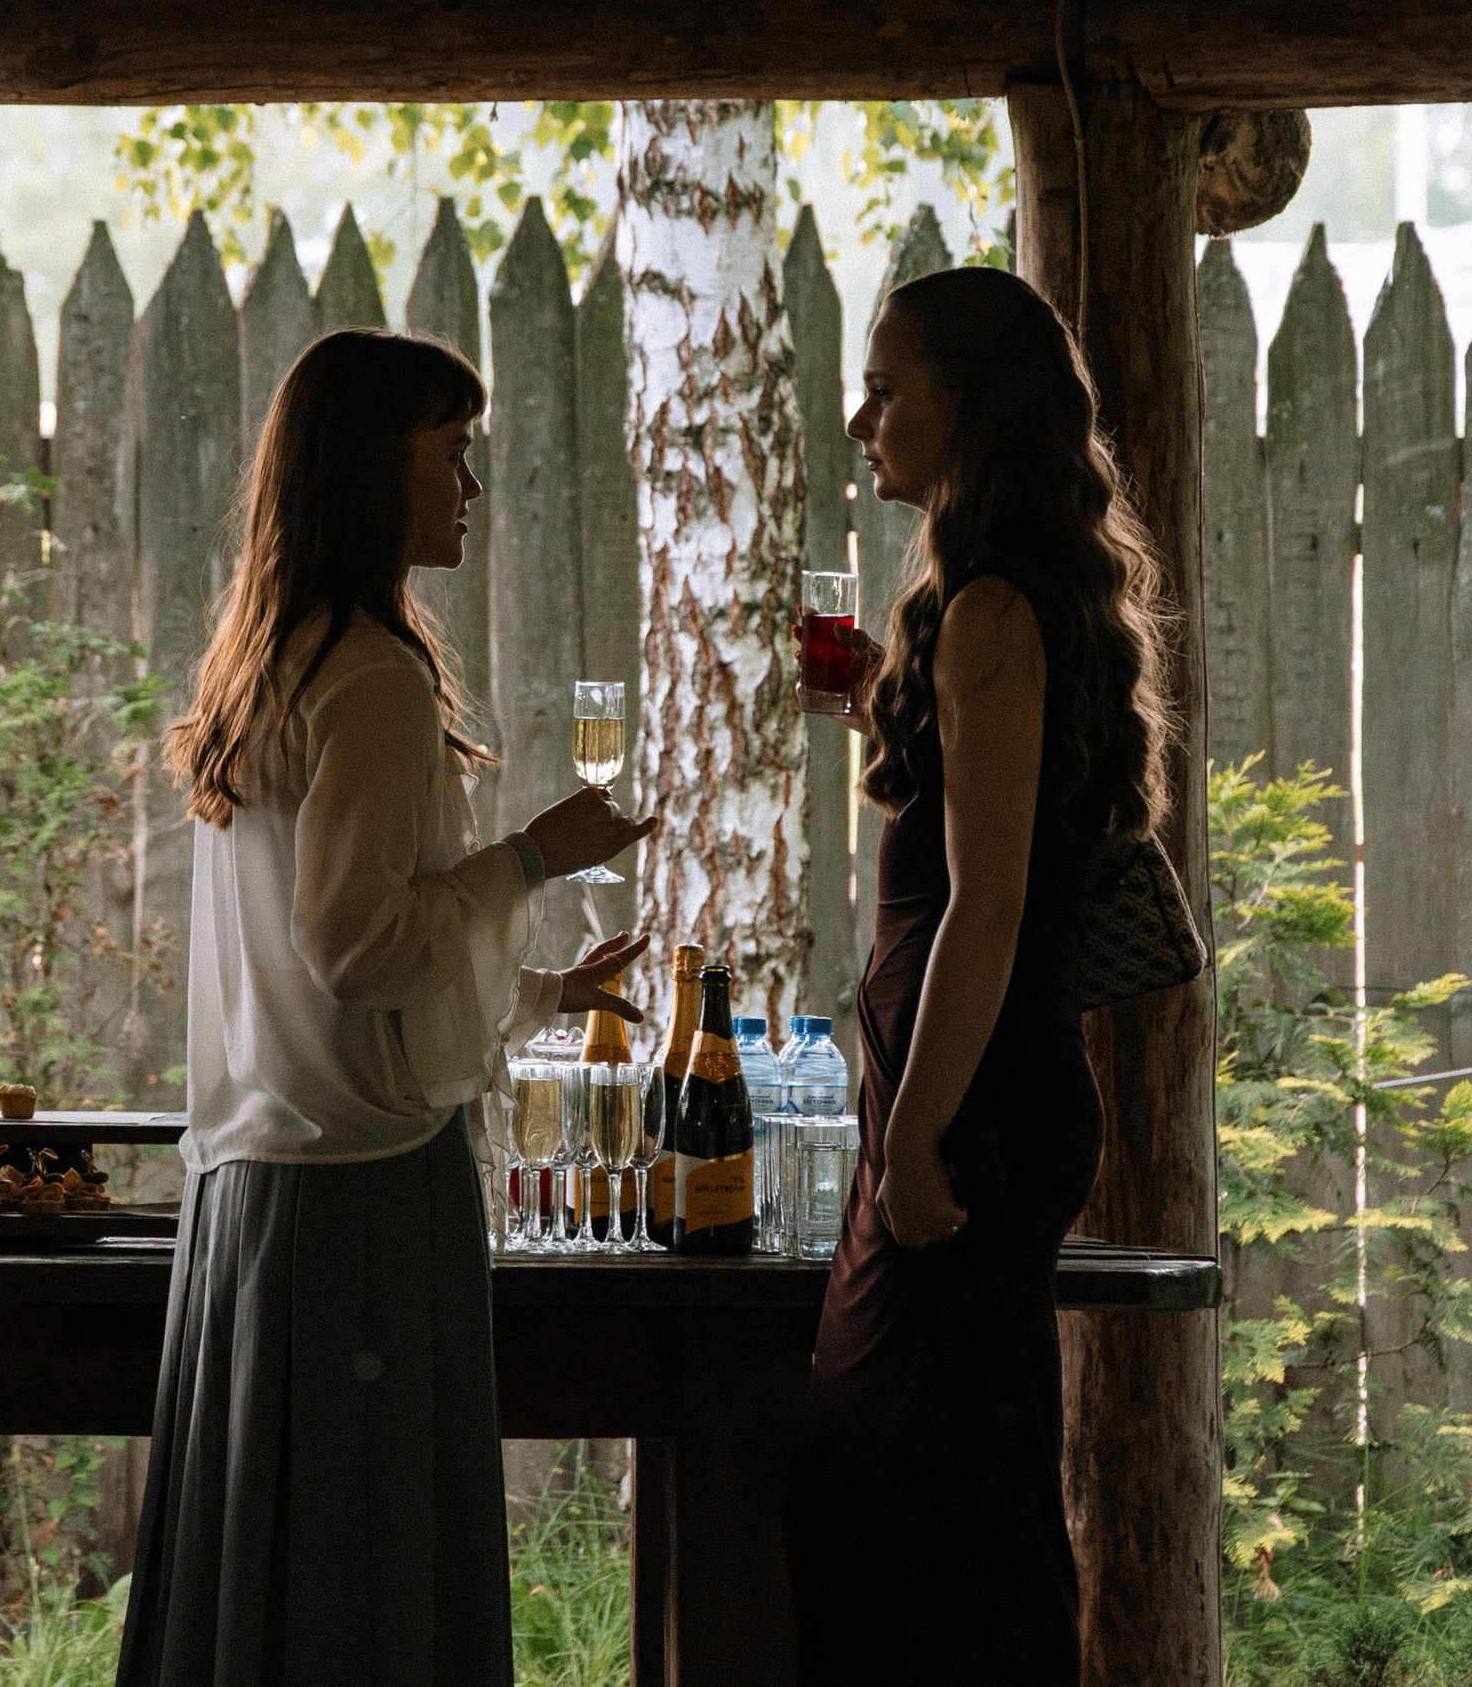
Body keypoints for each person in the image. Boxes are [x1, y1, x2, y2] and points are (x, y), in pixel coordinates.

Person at [117, 328, 656, 1686]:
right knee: (365, 1590)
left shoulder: (273, 660)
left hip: (253, 1195)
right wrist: (537, 855)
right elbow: (356, 945)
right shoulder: (371, 677)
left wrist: (536, 992)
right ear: (373, 468)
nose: (470, 487)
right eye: (451, 452)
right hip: (358, 1206)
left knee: (270, 1590)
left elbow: (324, 979)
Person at [790, 267, 1175, 1684]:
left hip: (976, 1110)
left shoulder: (995, 611)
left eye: (889, 388)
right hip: (965, 1093)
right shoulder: (976, 598)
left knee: (927, 1506)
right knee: (918, 1491)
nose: (861, 417)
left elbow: (990, 903)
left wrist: (909, 1130)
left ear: (973, 406)